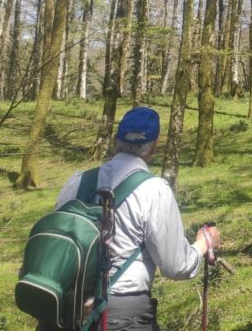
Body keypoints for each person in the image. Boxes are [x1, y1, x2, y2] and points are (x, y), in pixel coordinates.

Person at [52, 106, 221, 331]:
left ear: (116, 141)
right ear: (153, 147)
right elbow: (176, 266)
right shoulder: (154, 190)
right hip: (122, 315)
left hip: (64, 312)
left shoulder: (77, 181)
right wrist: (202, 244)